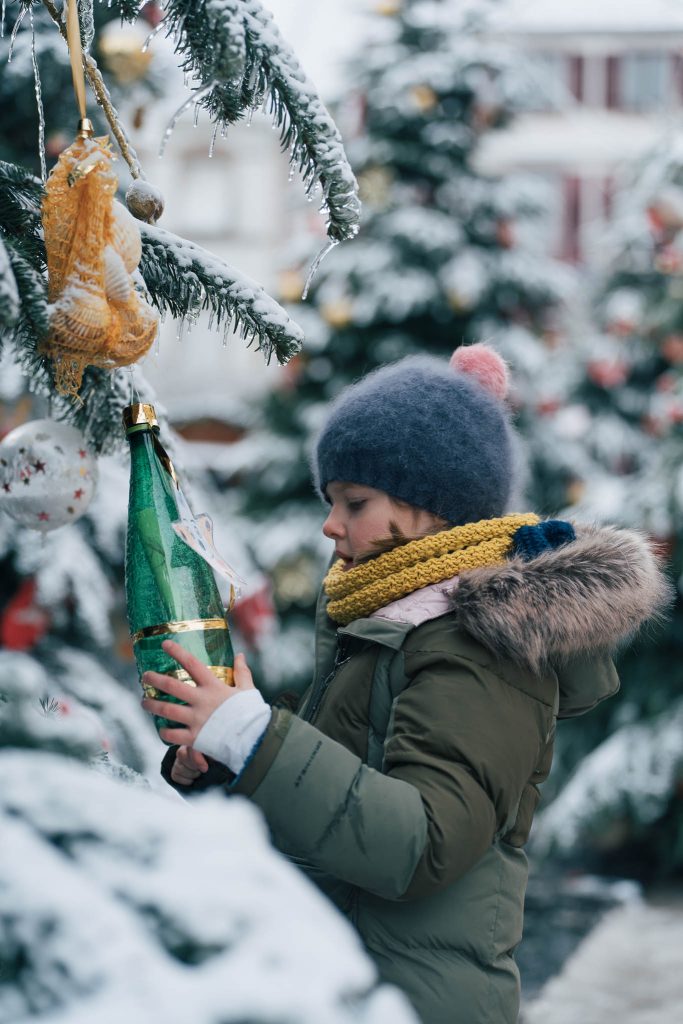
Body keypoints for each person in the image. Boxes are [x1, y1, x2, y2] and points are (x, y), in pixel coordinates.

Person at [143, 344, 670, 1024]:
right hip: (356, 983)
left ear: (434, 507)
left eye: (354, 502)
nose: (330, 524)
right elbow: (336, 813)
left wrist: (257, 737)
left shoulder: (477, 644)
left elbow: (421, 843)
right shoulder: (387, 620)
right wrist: (226, 765)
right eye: (330, 500)